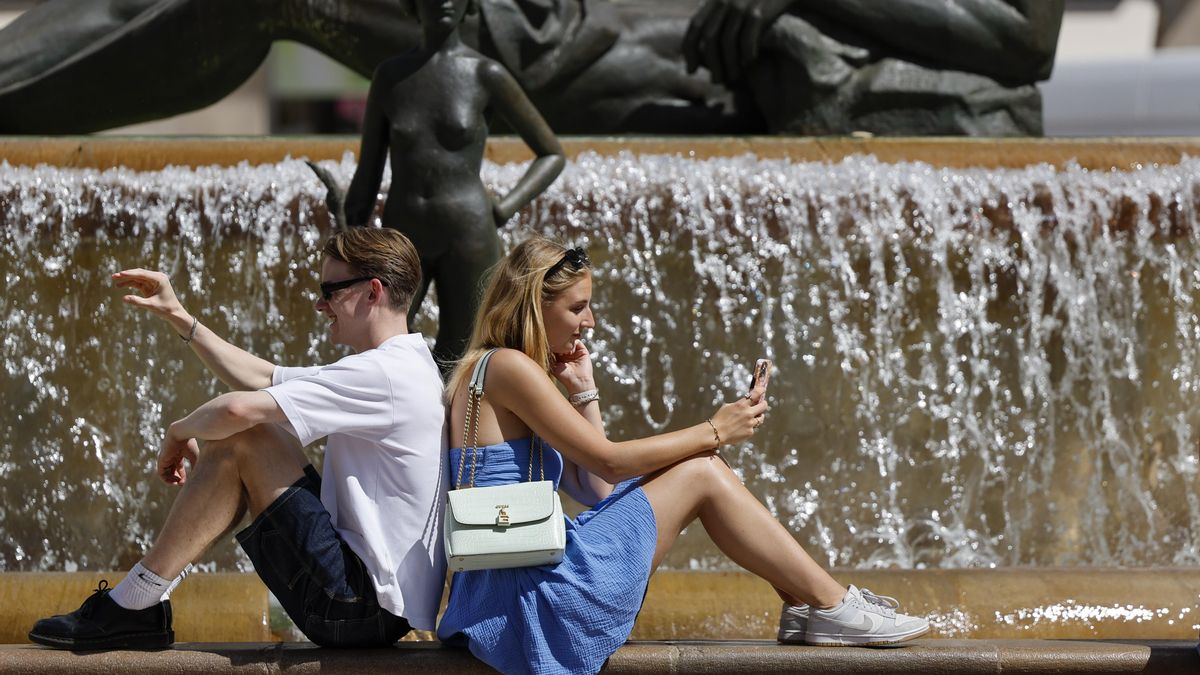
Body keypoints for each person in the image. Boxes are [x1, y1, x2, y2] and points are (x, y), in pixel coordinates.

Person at [435, 237, 929, 674]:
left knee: (697, 467)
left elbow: (597, 490)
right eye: (577, 307)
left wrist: (585, 391)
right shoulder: (509, 367)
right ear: (533, 307)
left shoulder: (495, 369)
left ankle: (807, 604)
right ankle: (832, 604)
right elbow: (609, 462)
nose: (590, 321)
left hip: (509, 589)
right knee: (703, 470)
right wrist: (714, 430)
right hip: (533, 597)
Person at [28, 227, 447, 650]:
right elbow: (262, 377)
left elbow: (237, 410)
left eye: (330, 290)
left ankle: (134, 602)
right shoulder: (402, 366)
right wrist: (180, 318)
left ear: (372, 292)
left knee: (243, 436)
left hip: (355, 605)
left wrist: (179, 431)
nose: (321, 304)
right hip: (372, 605)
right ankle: (142, 600)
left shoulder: (384, 376)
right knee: (257, 431)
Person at [342, 0, 565, 371]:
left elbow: (551, 153)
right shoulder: (391, 77)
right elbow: (368, 171)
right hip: (403, 231)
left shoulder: (485, 74)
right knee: (382, 347)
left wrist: (505, 206)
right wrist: (349, 235)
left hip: (469, 231)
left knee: (466, 352)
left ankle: (465, 429)